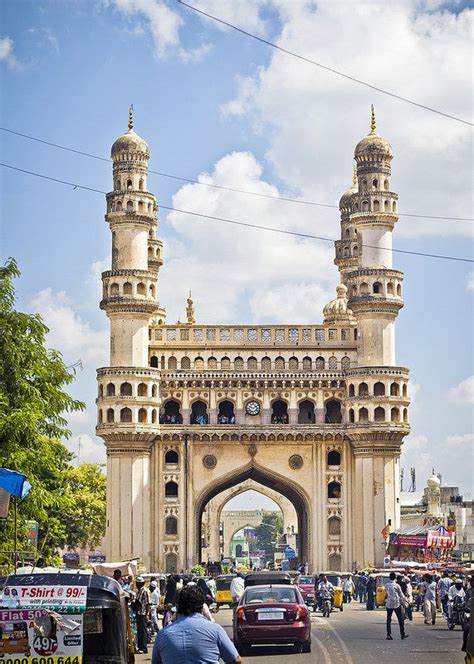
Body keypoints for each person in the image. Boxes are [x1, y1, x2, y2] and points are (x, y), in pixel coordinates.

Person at [152, 585, 241, 664]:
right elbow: (236, 660)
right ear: (202, 606)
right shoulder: (215, 629)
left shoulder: (163, 635)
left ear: (177, 607)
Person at [385, 572, 409, 640]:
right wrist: (406, 601)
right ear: (395, 578)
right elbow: (401, 595)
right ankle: (402, 634)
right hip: (396, 603)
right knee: (400, 619)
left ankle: (388, 635)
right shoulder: (397, 585)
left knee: (388, 620)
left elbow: (386, 593)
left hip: (389, 604)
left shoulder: (386, 585)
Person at [134, 576, 152, 654]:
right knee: (140, 631)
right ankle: (140, 647)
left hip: (143, 613)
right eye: (136, 583)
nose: (137, 585)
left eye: (139, 583)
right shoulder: (138, 591)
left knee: (143, 631)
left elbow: (148, 603)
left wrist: (147, 614)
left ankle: (144, 648)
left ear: (142, 583)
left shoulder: (145, 591)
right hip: (138, 613)